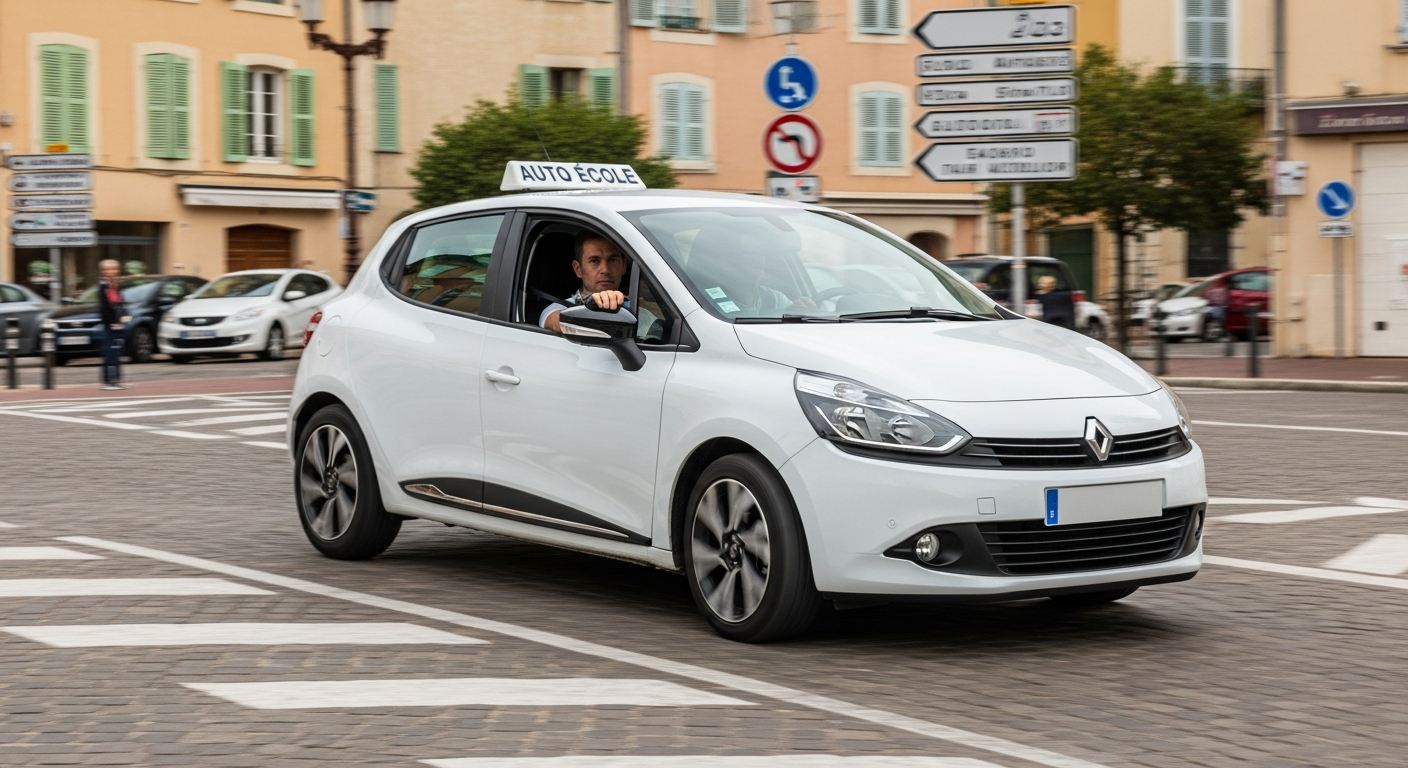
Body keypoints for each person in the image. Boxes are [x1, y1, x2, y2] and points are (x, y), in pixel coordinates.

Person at [540, 232, 629, 333]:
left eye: (612, 260)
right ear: (578, 269)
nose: (605, 270)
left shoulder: (641, 310)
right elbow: (554, 321)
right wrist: (592, 307)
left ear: (624, 266)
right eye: (594, 261)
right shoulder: (560, 308)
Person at [96, 259, 129, 391]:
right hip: (110, 324)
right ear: (104, 271)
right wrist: (112, 322)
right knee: (109, 352)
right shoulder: (103, 286)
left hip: (118, 323)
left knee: (117, 352)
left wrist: (124, 315)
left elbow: (119, 303)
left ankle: (117, 379)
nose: (113, 271)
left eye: (115, 269)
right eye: (110, 269)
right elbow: (105, 307)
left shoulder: (115, 285)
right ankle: (108, 381)